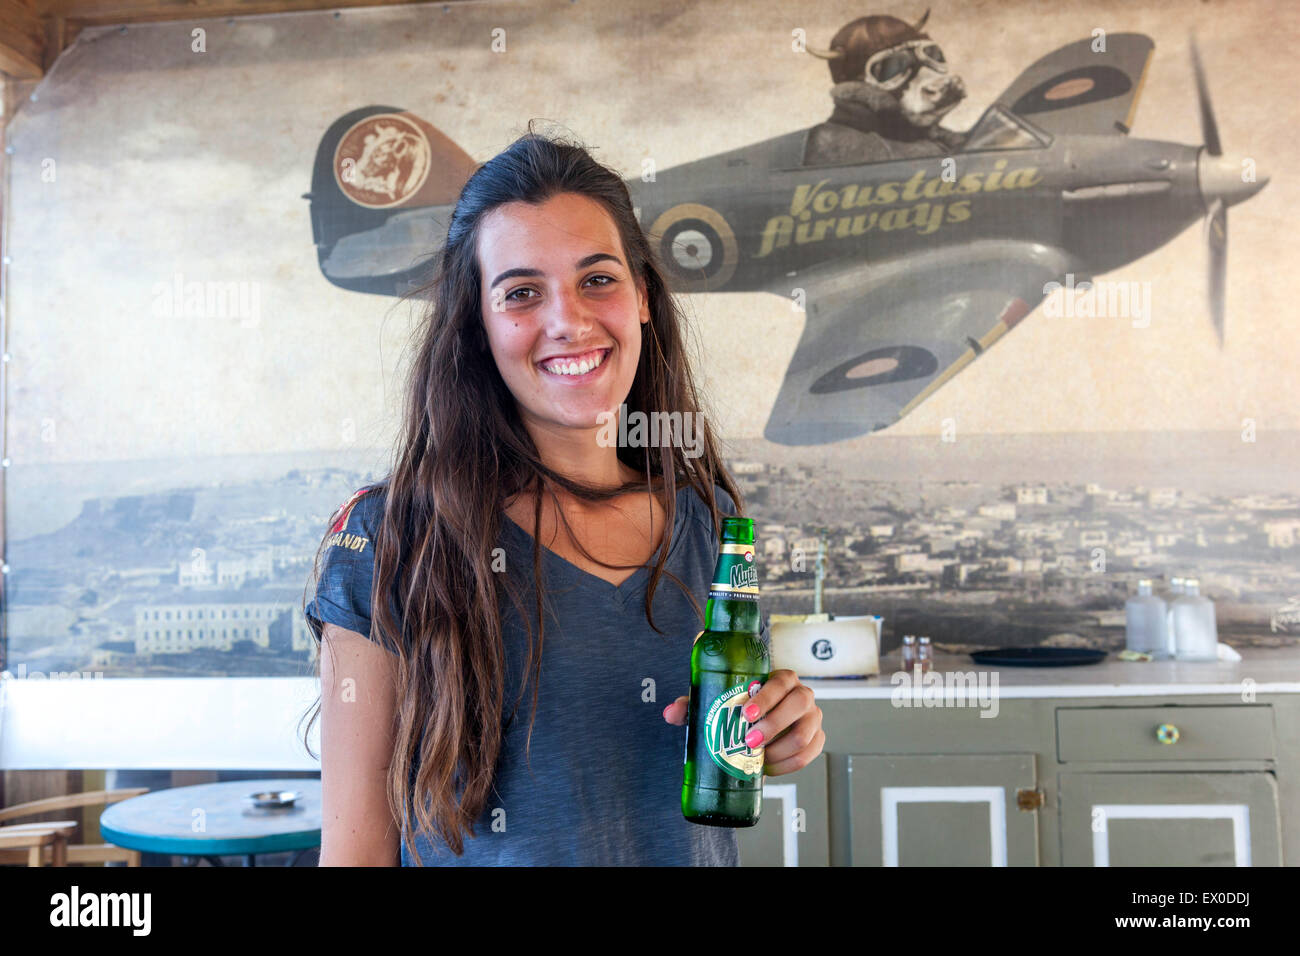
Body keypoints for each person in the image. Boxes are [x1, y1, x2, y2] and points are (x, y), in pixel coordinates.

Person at [302, 122, 825, 866]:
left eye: (598, 279)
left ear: (642, 295)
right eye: (521, 292)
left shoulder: (710, 521)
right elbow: (355, 855)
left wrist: (782, 728)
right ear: (477, 325)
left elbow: (713, 762)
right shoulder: (391, 538)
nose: (569, 321)